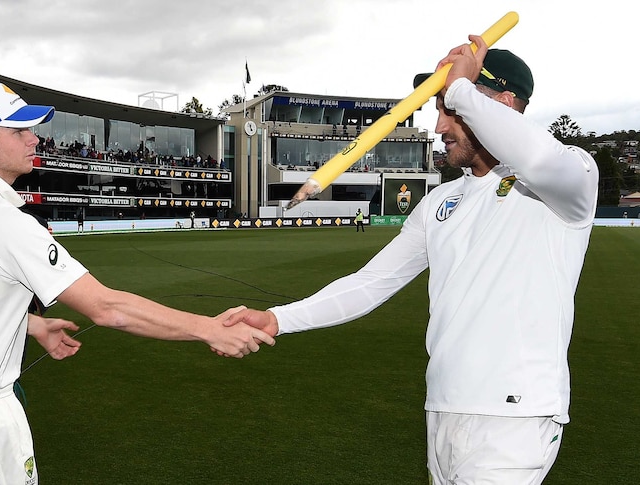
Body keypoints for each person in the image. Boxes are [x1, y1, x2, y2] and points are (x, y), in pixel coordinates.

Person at [225, 37, 599, 484]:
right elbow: (371, 282)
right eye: (439, 108)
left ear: (504, 103)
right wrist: (277, 319)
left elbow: (538, 155)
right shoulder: (441, 200)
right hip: (442, 407)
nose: (440, 125)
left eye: (451, 107)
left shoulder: (570, 180)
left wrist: (461, 89)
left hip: (515, 417)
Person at [0, 81, 275, 485]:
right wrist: (207, 330)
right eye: (19, 131)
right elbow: (107, 308)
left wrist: (30, 323)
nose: (34, 139)